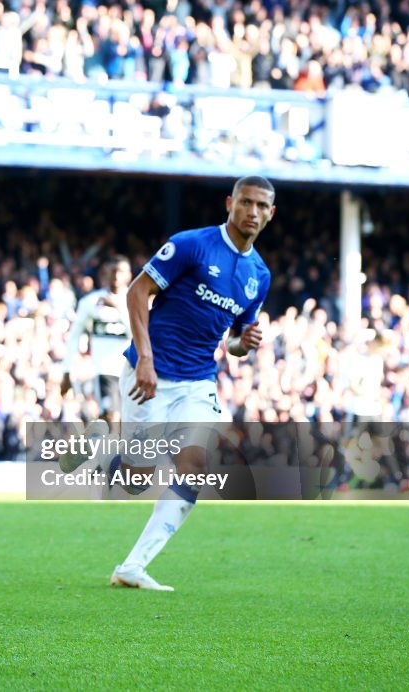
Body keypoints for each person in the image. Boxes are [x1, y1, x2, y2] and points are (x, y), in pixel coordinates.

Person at [108, 176, 274, 591]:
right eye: (246, 203)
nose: (252, 212)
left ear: (271, 214)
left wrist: (242, 342)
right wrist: (145, 357)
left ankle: (133, 567)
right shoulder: (192, 244)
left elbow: (234, 340)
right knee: (135, 480)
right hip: (150, 373)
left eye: (261, 206)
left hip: (198, 380)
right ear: (229, 203)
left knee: (195, 467)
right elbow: (136, 292)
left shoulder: (259, 275)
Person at [61, 254, 132, 421]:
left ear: (129, 275)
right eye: (112, 271)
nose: (116, 275)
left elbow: (140, 334)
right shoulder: (90, 302)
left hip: (130, 370)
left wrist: (119, 309)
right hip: (104, 371)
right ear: (106, 273)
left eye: (120, 271)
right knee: (110, 417)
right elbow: (75, 335)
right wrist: (67, 370)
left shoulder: (135, 300)